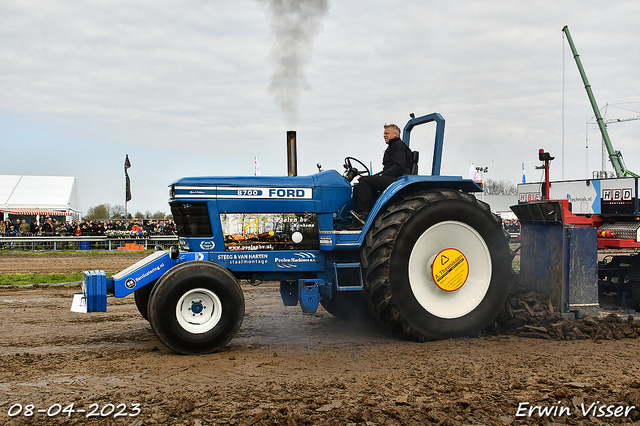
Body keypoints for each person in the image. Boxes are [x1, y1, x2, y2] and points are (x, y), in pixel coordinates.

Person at [349, 124, 413, 228]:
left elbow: (399, 167)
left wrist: (380, 176)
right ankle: (358, 220)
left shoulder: (398, 146)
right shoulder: (392, 147)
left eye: (387, 133)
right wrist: (375, 176)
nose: (384, 135)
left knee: (365, 181)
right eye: (384, 133)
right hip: (391, 176)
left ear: (395, 134)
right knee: (358, 185)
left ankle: (364, 215)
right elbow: (387, 169)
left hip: (397, 179)